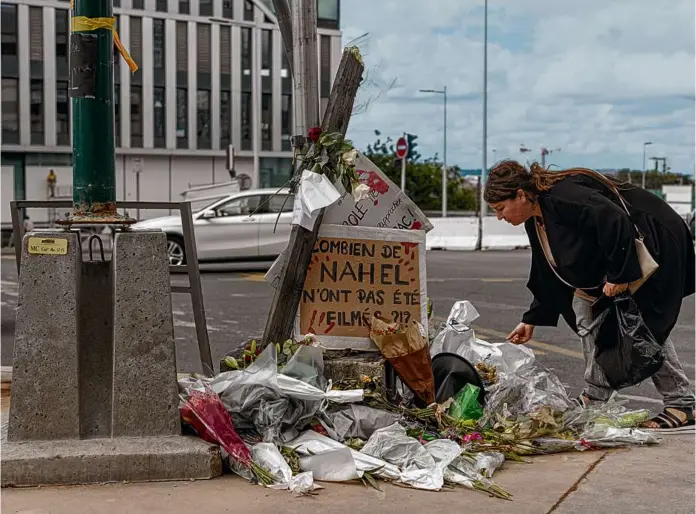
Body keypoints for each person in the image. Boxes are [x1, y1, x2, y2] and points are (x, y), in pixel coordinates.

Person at [484, 160, 695, 433]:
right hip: (616, 259)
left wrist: (620, 275)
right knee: (584, 309)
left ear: (521, 195)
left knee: (642, 327)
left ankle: (681, 403)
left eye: (501, 208)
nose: (500, 216)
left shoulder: (565, 197)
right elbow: (548, 269)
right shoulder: (536, 218)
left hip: (656, 242)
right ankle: (596, 396)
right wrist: (532, 318)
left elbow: (614, 219)